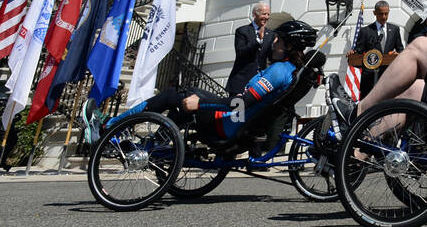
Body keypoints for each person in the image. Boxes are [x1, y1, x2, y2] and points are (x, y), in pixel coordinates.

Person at [88, 20, 318, 147]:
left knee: (173, 97)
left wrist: (202, 105)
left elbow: (240, 104)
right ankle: (151, 146)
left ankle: (109, 125)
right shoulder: (287, 69)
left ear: (289, 46)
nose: (273, 42)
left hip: (232, 123)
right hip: (238, 120)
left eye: (278, 40)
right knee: (184, 98)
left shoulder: (279, 71)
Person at [353, 0, 404, 99]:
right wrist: (353, 53)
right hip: (369, 80)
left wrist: (397, 54)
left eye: (386, 13)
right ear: (374, 13)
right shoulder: (365, 31)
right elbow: (358, 53)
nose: (384, 17)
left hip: (388, 77)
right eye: (381, 14)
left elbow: (401, 49)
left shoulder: (394, 29)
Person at [228, 2, 274, 95]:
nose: (266, 17)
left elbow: (271, 57)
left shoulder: (270, 34)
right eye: (264, 14)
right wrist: (259, 41)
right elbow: (241, 52)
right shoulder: (242, 31)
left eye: (268, 14)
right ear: (254, 14)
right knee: (238, 109)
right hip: (241, 83)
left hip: (259, 85)